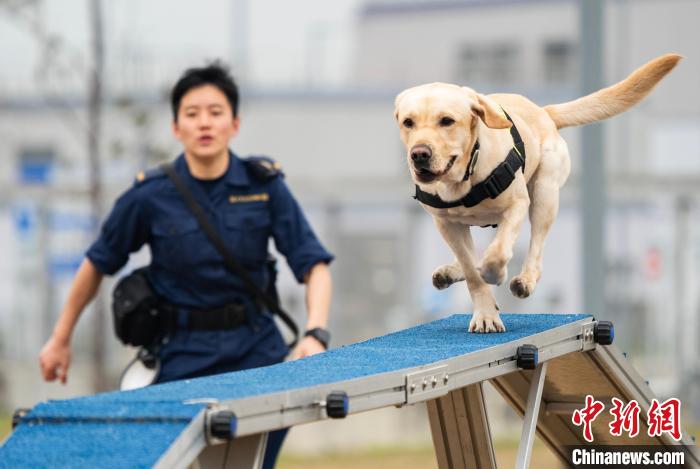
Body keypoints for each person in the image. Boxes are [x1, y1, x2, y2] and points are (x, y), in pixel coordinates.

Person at [38, 62, 334, 468]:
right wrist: (60, 338)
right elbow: (97, 263)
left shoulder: (263, 186)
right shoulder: (150, 196)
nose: (204, 123)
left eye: (215, 112)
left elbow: (313, 263)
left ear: (235, 123)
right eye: (192, 114)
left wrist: (315, 333)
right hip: (181, 359)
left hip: (257, 356)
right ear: (176, 128)